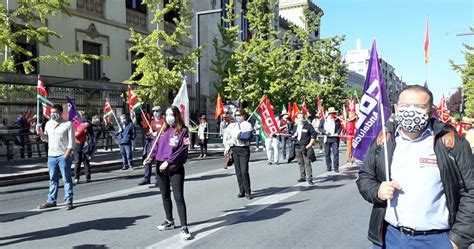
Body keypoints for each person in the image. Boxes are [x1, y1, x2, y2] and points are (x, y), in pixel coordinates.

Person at [356, 85, 474, 249]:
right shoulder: (384, 140)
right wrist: (377, 191)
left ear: (430, 110)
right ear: (396, 108)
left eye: (419, 107)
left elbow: (470, 191)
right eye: (405, 106)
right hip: (390, 237)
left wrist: (458, 239)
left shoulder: (451, 143)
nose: (411, 111)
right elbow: (365, 177)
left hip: (437, 240)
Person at [145, 106, 192, 240]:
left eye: (171, 114)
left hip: (175, 168)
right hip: (160, 167)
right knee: (165, 195)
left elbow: (182, 150)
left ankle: (184, 227)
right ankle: (169, 220)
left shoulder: (183, 131)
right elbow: (156, 146)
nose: (168, 117)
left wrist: (169, 161)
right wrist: (150, 157)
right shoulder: (163, 130)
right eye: (166, 114)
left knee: (178, 197)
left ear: (177, 115)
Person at [36, 104, 75, 210]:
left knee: (66, 179)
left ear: (61, 113)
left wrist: (67, 154)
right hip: (51, 156)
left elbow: (71, 142)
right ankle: (51, 200)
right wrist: (40, 133)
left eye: (55, 112)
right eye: (52, 112)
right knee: (53, 179)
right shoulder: (48, 124)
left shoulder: (68, 124)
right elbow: (46, 139)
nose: (53, 114)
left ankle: (69, 201)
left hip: (63, 155)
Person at [223, 108, 253, 199]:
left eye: (239, 115)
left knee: (244, 171)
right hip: (235, 149)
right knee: (238, 172)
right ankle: (241, 190)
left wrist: (238, 135)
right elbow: (228, 137)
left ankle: (248, 191)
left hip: (243, 149)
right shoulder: (233, 125)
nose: (237, 117)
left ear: (244, 116)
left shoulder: (247, 124)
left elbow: (246, 136)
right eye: (236, 115)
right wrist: (227, 147)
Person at [139, 106, 164, 186]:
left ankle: (158, 179)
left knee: (158, 162)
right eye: (154, 111)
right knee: (147, 160)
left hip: (160, 145)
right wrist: (150, 133)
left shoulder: (164, 121)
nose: (155, 113)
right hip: (152, 144)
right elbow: (148, 133)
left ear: (160, 111)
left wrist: (158, 133)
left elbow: (166, 132)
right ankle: (147, 178)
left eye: (157, 111)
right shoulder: (152, 122)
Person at [291, 112, 317, 185]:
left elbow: (314, 135)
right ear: (297, 119)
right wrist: (294, 135)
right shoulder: (296, 126)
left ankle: (310, 178)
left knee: (307, 162)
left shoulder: (308, 126)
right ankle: (303, 177)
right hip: (297, 146)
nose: (300, 119)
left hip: (306, 146)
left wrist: (310, 144)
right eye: (299, 118)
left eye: (302, 117)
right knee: (300, 162)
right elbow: (291, 136)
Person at [318, 107, 342, 173]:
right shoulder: (323, 120)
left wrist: (337, 133)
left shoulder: (337, 120)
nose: (333, 114)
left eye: (334, 113)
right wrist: (325, 132)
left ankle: (336, 167)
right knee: (327, 154)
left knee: (336, 153)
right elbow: (320, 128)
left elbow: (340, 128)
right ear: (329, 114)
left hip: (335, 139)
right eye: (331, 113)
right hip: (327, 139)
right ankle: (329, 167)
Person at [73, 112, 93, 184]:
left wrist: (87, 126)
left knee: (86, 161)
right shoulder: (74, 123)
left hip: (86, 144)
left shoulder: (87, 124)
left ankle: (88, 177)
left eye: (83, 116)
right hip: (77, 144)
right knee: (77, 161)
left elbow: (91, 133)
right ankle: (76, 178)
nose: (82, 117)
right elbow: (75, 135)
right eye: (80, 116)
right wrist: (83, 127)